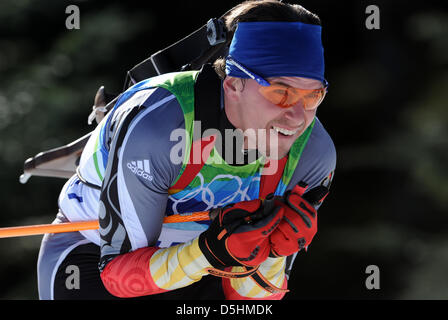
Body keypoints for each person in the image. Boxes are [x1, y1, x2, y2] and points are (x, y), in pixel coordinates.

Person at [37, 0, 336, 300]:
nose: (298, 117)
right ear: (233, 84)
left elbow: (250, 299)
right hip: (93, 256)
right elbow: (119, 276)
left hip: (207, 266)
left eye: (313, 96)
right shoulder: (160, 125)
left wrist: (271, 256)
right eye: (281, 92)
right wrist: (207, 253)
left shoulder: (313, 153)